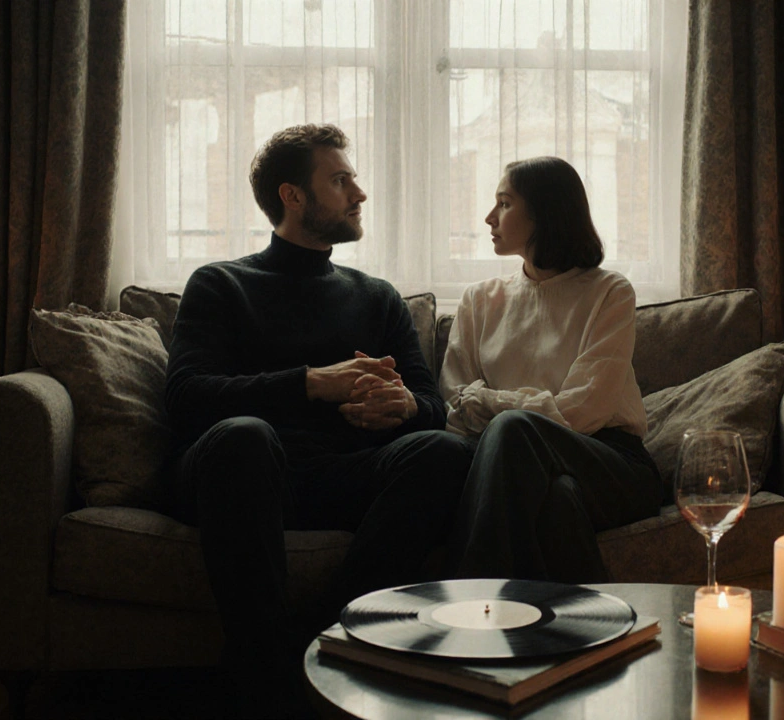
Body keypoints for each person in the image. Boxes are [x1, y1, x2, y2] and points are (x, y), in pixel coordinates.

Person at [165, 124, 471, 718]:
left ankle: (328, 636)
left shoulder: (378, 297)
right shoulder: (221, 283)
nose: (359, 194)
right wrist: (311, 382)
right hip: (240, 477)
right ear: (293, 197)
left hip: (341, 476)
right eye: (340, 180)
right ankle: (267, 677)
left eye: (353, 179)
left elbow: (435, 408)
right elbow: (187, 398)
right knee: (245, 436)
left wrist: (406, 407)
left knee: (445, 451)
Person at [440, 156, 662, 584]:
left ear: (545, 212)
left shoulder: (608, 292)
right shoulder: (479, 299)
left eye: (504, 203)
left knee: (512, 428)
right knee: (558, 497)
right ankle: (577, 635)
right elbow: (454, 404)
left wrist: (493, 403)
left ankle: (465, 600)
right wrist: (501, 409)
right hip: (513, 464)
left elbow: (585, 411)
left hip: (610, 461)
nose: (489, 217)